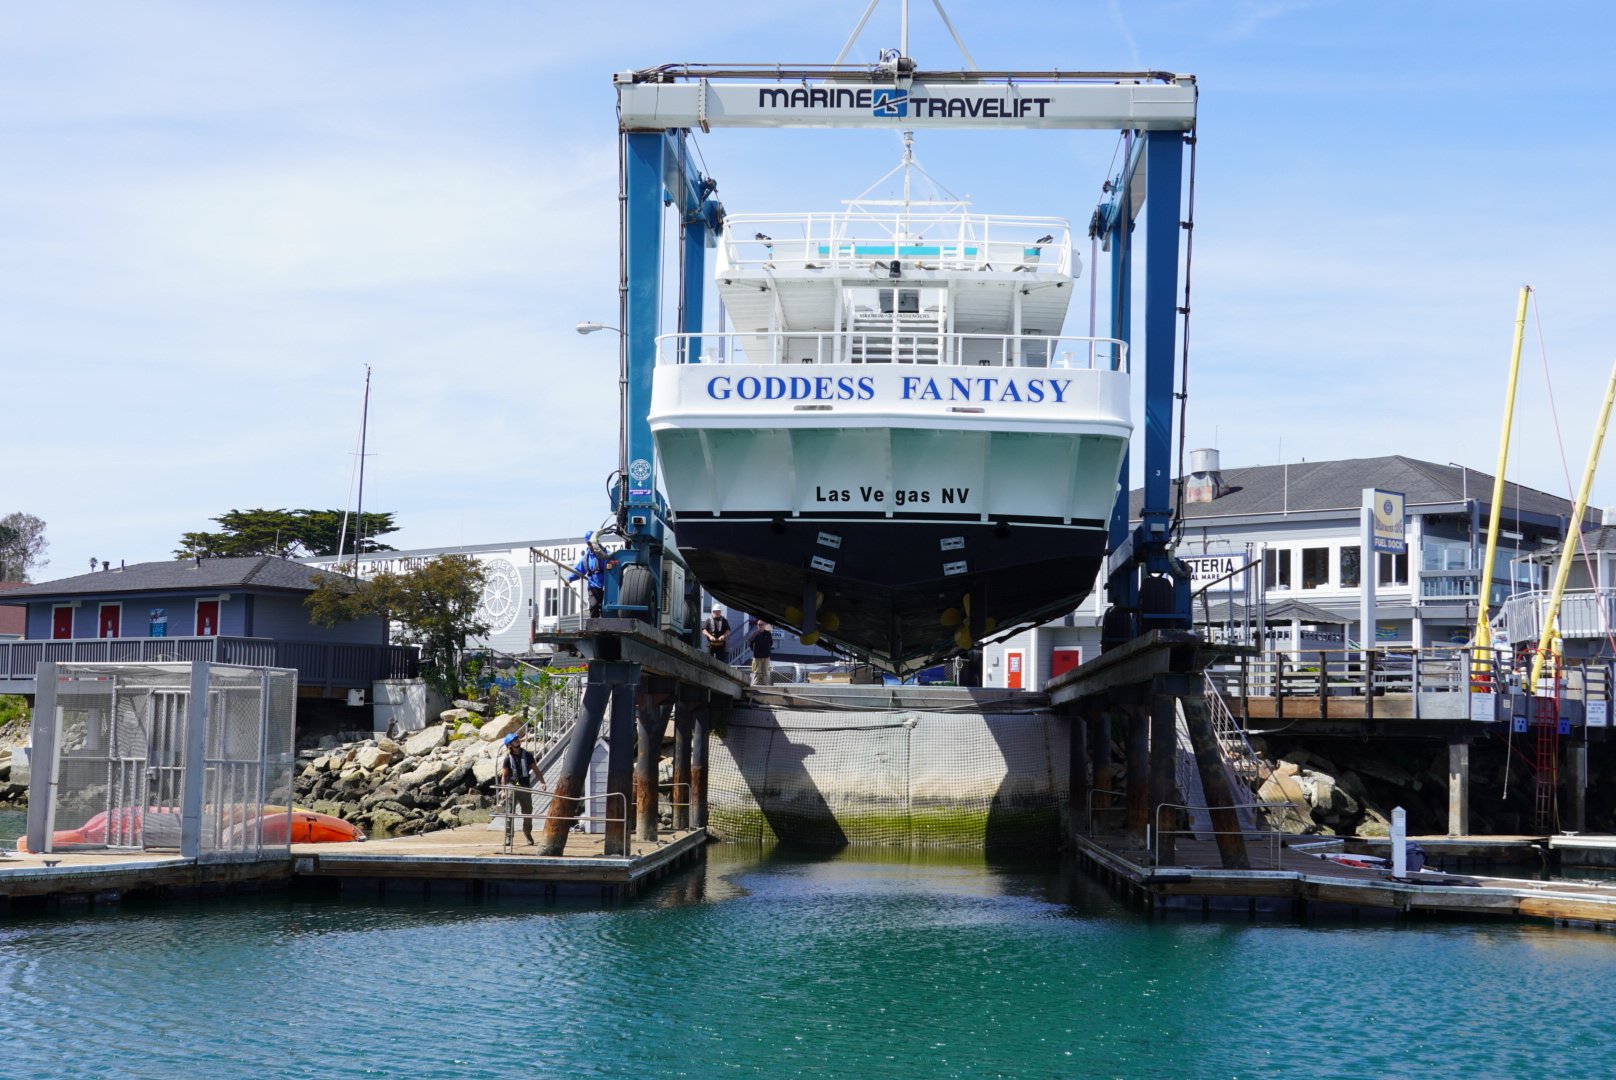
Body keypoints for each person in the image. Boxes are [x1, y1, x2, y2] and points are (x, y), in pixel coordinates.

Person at [499, 733, 544, 845]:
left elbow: (535, 769)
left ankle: (527, 834)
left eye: (517, 739)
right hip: (512, 786)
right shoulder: (507, 759)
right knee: (510, 813)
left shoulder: (527, 755)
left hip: (524, 787)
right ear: (509, 744)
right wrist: (503, 790)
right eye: (514, 740)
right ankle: (509, 837)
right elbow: (504, 776)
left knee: (527, 813)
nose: (517, 741)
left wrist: (542, 782)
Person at [568, 531, 607, 618]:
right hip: (593, 586)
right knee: (594, 606)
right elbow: (579, 571)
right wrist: (569, 579)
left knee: (607, 609)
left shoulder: (607, 554)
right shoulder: (586, 558)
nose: (592, 545)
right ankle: (594, 628)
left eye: (593, 542)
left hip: (607, 586)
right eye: (589, 543)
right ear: (587, 543)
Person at [748, 618, 774, 686]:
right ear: (757, 625)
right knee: (757, 671)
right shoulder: (754, 634)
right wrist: (753, 651)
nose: (760, 626)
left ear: (764, 625)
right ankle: (755, 684)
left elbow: (771, 643)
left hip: (766, 656)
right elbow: (750, 643)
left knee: (765, 671)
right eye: (759, 625)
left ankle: (766, 685)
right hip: (757, 656)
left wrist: (766, 649)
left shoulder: (768, 634)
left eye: (762, 624)